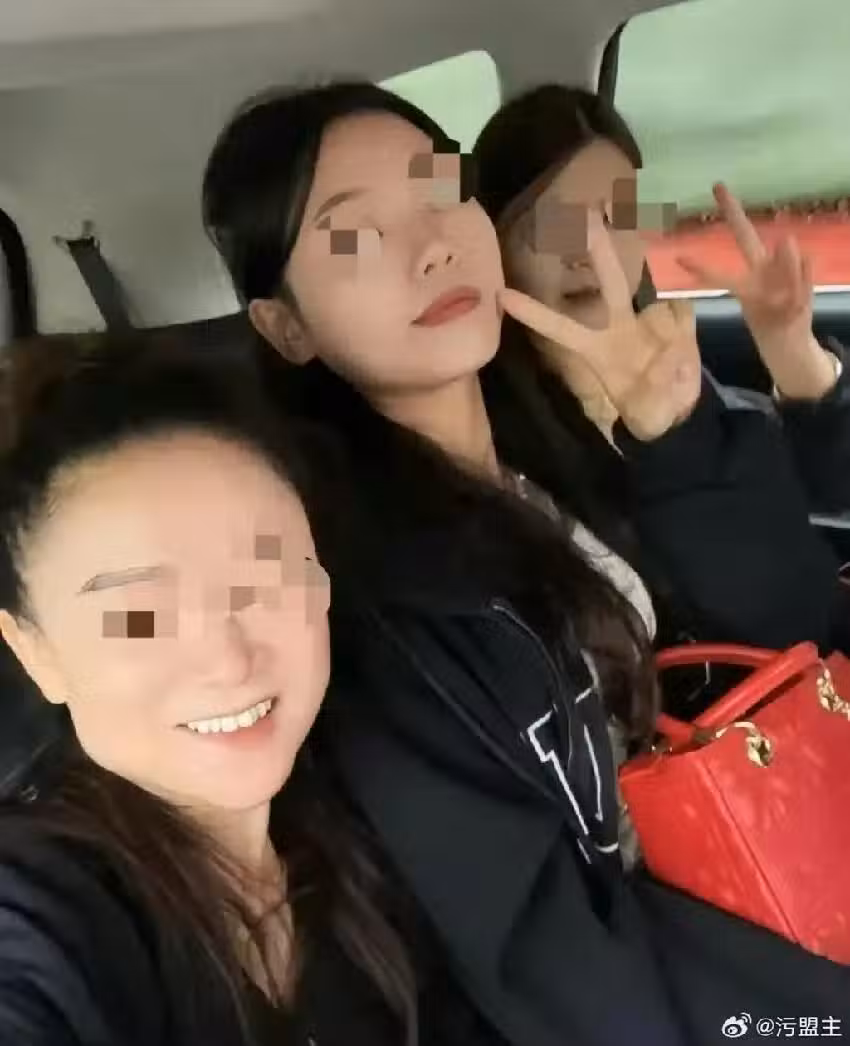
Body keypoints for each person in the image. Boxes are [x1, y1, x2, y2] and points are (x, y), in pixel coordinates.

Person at [202, 81, 850, 1046]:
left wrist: (680, 438)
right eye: (356, 236)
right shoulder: (361, 603)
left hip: (770, 860)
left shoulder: (553, 453)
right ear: (285, 327)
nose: (431, 244)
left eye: (441, 194)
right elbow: (550, 961)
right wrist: (815, 1012)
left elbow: (788, 646)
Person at [0, 332, 500, 1046]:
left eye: (265, 582)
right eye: (141, 616)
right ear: (36, 652)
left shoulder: (369, 819)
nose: (228, 660)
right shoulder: (38, 916)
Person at [472, 83, 850, 513]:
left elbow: (824, 491)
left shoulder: (670, 366)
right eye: (553, 226)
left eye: (619, 216)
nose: (592, 251)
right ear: (491, 241)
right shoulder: (492, 450)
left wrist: (794, 356)